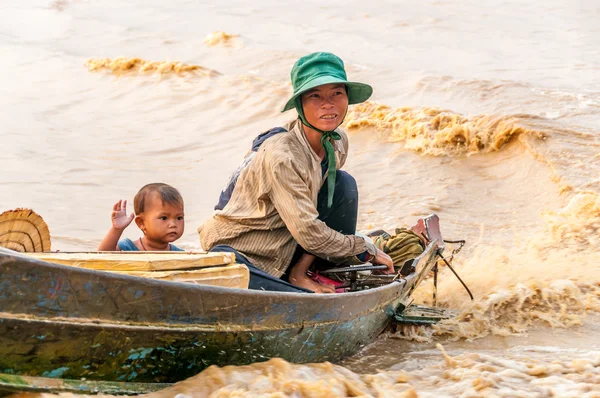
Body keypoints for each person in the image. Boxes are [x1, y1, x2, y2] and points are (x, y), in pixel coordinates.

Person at [198, 52, 393, 293]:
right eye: (315, 96)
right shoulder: (283, 156)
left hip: (289, 241)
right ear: (299, 104)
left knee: (343, 184)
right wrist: (364, 248)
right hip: (242, 251)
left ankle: (299, 273)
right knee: (259, 284)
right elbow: (310, 234)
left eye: (336, 93)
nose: (328, 104)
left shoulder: (338, 141)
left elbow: (316, 212)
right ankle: (295, 283)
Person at [98, 183, 185, 251]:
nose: (173, 224)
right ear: (141, 223)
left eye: (179, 218)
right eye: (164, 218)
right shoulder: (127, 248)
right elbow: (102, 255)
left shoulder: (180, 255)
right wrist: (116, 230)